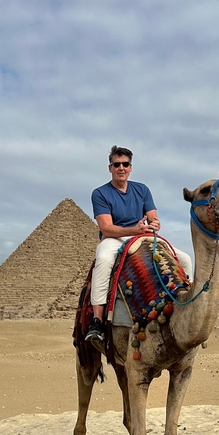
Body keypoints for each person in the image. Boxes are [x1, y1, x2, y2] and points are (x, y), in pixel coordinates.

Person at [85, 145, 193, 343]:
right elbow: (107, 228)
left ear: (131, 167)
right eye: (117, 164)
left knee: (184, 260)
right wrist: (134, 230)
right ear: (110, 167)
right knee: (103, 261)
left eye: (125, 164)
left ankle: (186, 313)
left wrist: (154, 224)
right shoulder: (100, 193)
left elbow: (153, 217)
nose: (121, 168)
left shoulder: (142, 190)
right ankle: (97, 321)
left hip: (142, 236)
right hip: (114, 238)